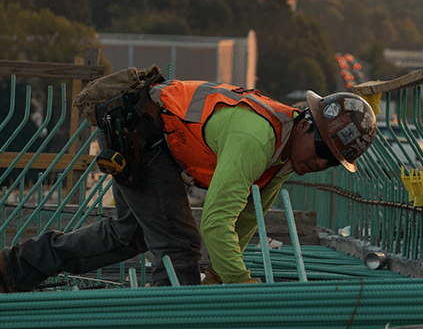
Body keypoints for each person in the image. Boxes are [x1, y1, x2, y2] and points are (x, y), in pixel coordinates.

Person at [0, 79, 376, 292]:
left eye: (333, 161)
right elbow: (215, 221)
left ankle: (13, 268)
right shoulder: (258, 139)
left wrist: (218, 277)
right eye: (324, 148)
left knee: (128, 236)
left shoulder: (283, 158)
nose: (321, 163)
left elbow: (244, 220)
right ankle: (170, 320)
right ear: (307, 123)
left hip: (144, 136)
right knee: (179, 249)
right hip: (142, 137)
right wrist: (242, 284)